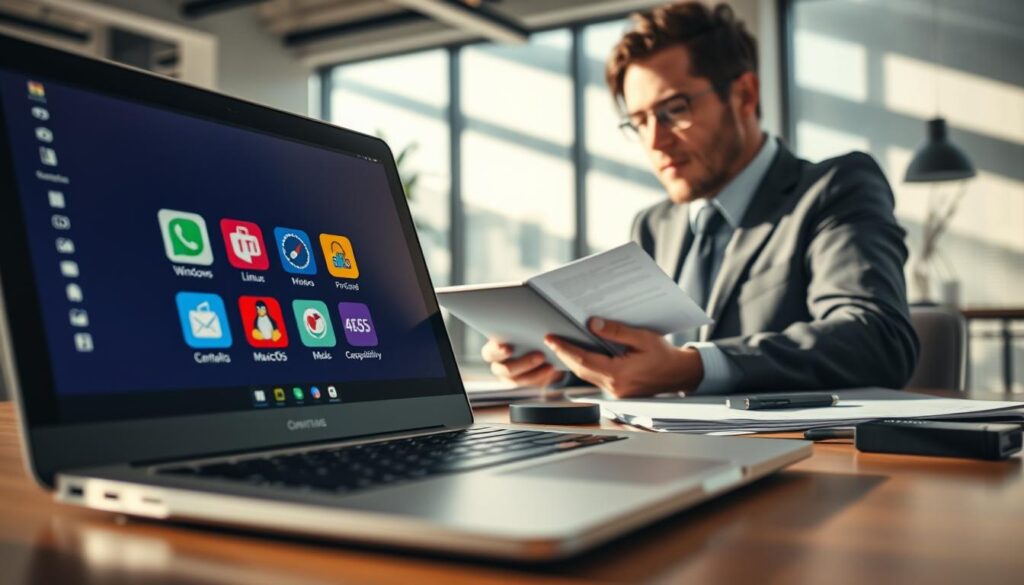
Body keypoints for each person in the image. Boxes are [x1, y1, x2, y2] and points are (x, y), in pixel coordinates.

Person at [482, 1, 918, 398]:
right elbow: (643, 362)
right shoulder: (654, 225)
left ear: (744, 95)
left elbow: (876, 338)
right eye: (639, 121)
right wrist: (556, 366)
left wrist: (690, 368)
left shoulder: (833, 188)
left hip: (796, 463)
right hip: (659, 453)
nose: (655, 140)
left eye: (674, 110)